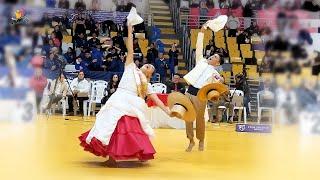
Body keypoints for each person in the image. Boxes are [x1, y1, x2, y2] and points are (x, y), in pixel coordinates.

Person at [79, 21, 171, 166]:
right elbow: (130, 49)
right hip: (119, 99)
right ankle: (111, 156)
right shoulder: (130, 67)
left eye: (151, 68)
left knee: (129, 128)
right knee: (111, 125)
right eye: (148, 64)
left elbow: (156, 99)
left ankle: (138, 152)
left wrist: (167, 111)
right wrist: (129, 30)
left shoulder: (146, 84)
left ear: (149, 74)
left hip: (133, 104)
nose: (148, 66)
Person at [183, 23, 223, 152]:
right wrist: (201, 32)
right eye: (213, 54)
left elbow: (220, 82)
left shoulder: (215, 72)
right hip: (189, 91)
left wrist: (221, 79)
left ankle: (201, 141)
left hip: (201, 95)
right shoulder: (201, 61)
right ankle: (190, 140)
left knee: (200, 119)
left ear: (217, 63)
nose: (213, 55)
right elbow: (198, 47)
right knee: (188, 117)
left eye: (216, 56)